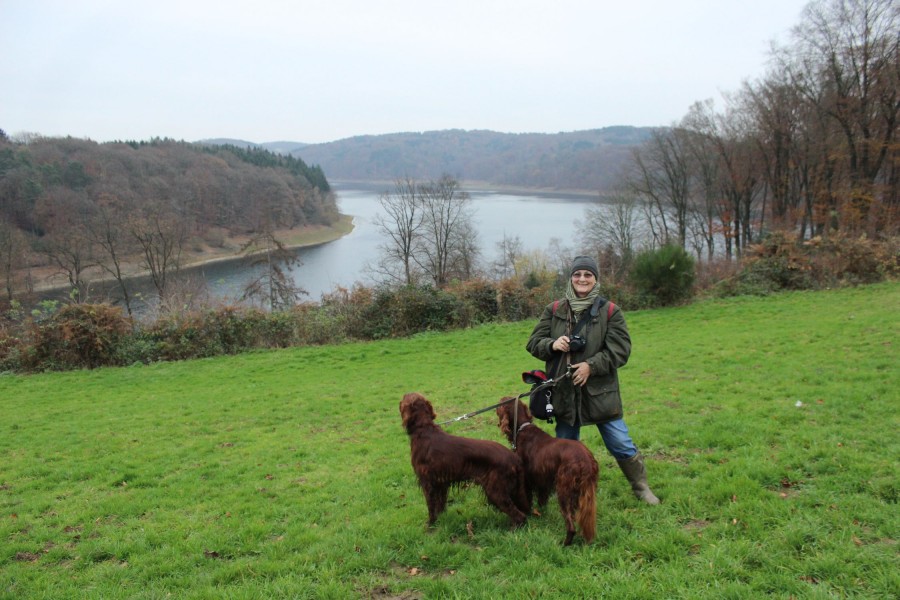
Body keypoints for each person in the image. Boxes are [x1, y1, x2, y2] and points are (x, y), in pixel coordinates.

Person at [526, 255, 660, 504]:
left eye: (588, 275)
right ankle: (563, 490)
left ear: (595, 279)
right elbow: (533, 343)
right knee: (564, 447)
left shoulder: (610, 312)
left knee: (620, 442)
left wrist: (591, 366)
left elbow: (620, 350)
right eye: (577, 274)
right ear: (571, 278)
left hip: (600, 393)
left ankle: (641, 487)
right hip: (565, 394)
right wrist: (552, 344)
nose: (582, 279)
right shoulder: (554, 310)